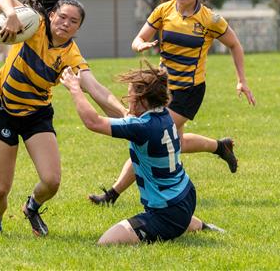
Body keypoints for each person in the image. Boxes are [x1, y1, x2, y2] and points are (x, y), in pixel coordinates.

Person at [89, 0, 256, 206]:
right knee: (174, 142)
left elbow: (235, 45)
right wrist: (141, 46)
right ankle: (221, 147)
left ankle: (112, 194)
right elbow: (138, 38)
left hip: (189, 91)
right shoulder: (163, 11)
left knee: (150, 137)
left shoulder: (210, 19)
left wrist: (241, 80)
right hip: (162, 88)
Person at [0, 0, 127, 236]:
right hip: (3, 108)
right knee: (0, 189)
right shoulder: (34, 24)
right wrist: (11, 16)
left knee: (52, 181)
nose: (66, 24)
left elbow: (96, 90)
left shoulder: (71, 56)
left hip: (36, 114)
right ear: (51, 16)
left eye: (74, 22)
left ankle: (32, 207)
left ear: (78, 28)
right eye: (62, 17)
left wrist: (127, 116)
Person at [61, 61, 223, 245]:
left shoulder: (143, 127)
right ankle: (203, 226)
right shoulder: (163, 115)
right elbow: (125, 118)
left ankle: (181, 225)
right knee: (176, 218)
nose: (128, 101)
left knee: (105, 242)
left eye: (130, 97)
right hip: (185, 195)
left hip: (166, 212)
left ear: (143, 100)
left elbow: (93, 122)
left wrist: (75, 89)